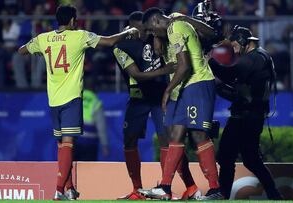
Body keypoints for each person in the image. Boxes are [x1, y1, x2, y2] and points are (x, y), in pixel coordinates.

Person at [18, 5, 138, 200]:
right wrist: (128, 31)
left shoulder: (43, 38)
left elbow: (21, 50)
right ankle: (58, 190)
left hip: (53, 99)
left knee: (61, 145)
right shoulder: (79, 36)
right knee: (68, 143)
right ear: (73, 20)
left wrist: (40, 51)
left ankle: (69, 189)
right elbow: (109, 41)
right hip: (71, 98)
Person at [113, 11, 201, 200]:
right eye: (136, 29)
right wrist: (166, 69)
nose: (142, 33)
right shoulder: (122, 47)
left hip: (160, 95)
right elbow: (135, 74)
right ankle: (137, 190)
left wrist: (158, 40)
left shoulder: (161, 36)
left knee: (168, 141)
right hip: (138, 99)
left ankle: (181, 187)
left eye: (145, 29)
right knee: (130, 140)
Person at [139, 8, 223, 200]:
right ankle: (165, 187)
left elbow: (184, 65)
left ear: (156, 21)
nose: (152, 34)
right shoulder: (169, 29)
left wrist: (167, 90)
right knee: (175, 136)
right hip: (183, 88)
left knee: (198, 134)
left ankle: (215, 189)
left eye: (151, 30)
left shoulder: (175, 27)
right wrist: (157, 38)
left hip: (197, 83)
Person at [208, 25, 283, 200]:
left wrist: (210, 61)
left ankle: (222, 194)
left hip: (245, 117)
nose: (233, 50)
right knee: (251, 160)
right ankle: (274, 195)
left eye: (234, 45)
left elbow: (229, 73)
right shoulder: (261, 57)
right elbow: (239, 90)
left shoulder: (255, 58)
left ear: (242, 42)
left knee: (226, 156)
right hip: (250, 115)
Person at [74, 78, 109, 161]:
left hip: (75, 140)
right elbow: (101, 127)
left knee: (74, 169)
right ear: (95, 89)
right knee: (88, 171)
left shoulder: (76, 98)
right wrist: (105, 145)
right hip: (89, 143)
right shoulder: (96, 102)